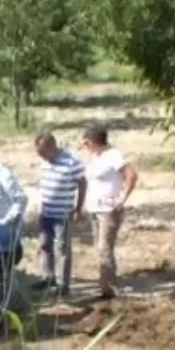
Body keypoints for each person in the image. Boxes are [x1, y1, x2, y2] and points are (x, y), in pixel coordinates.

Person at [80, 124, 139, 300]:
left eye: (86, 143)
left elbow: (131, 174)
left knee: (104, 248)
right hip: (94, 209)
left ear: (93, 142)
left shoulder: (113, 156)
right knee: (100, 249)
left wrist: (122, 198)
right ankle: (104, 287)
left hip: (108, 209)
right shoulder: (94, 157)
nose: (84, 146)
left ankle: (112, 289)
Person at [32, 131, 86, 296]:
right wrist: (41, 205)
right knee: (44, 246)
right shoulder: (44, 162)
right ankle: (47, 277)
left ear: (52, 147)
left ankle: (64, 285)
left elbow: (83, 183)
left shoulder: (71, 161)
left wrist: (78, 208)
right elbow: (44, 185)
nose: (41, 157)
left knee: (63, 249)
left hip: (63, 214)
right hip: (46, 211)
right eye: (39, 154)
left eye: (43, 153)